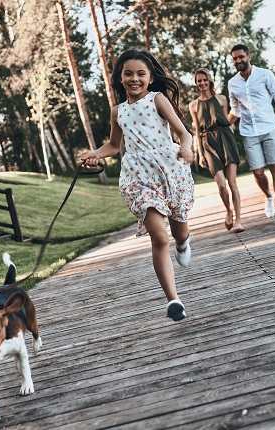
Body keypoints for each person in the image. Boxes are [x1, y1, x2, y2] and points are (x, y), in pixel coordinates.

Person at [82, 49, 195, 322]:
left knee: (179, 229)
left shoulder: (157, 99)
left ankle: (183, 243)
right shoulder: (117, 111)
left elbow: (183, 132)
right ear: (120, 78)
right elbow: (113, 144)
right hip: (138, 177)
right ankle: (173, 300)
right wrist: (95, 154)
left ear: (150, 77)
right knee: (158, 236)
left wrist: (187, 149)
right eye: (128, 73)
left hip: (170, 170)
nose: (135, 78)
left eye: (140, 74)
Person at [226, 44, 275, 223]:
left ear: (249, 56)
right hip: (248, 132)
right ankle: (268, 196)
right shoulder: (233, 84)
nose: (238, 61)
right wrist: (220, 125)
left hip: (270, 128)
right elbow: (235, 111)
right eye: (235, 58)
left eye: (241, 57)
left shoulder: (265, 74)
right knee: (258, 172)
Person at [189, 67, 244, 233]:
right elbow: (197, 132)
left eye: (205, 80)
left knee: (232, 183)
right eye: (199, 81)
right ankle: (228, 211)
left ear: (210, 80)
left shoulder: (221, 99)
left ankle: (239, 221)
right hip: (208, 144)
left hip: (225, 139)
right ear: (196, 83)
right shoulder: (193, 105)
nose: (202, 83)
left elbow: (228, 121)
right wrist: (200, 154)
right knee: (221, 185)